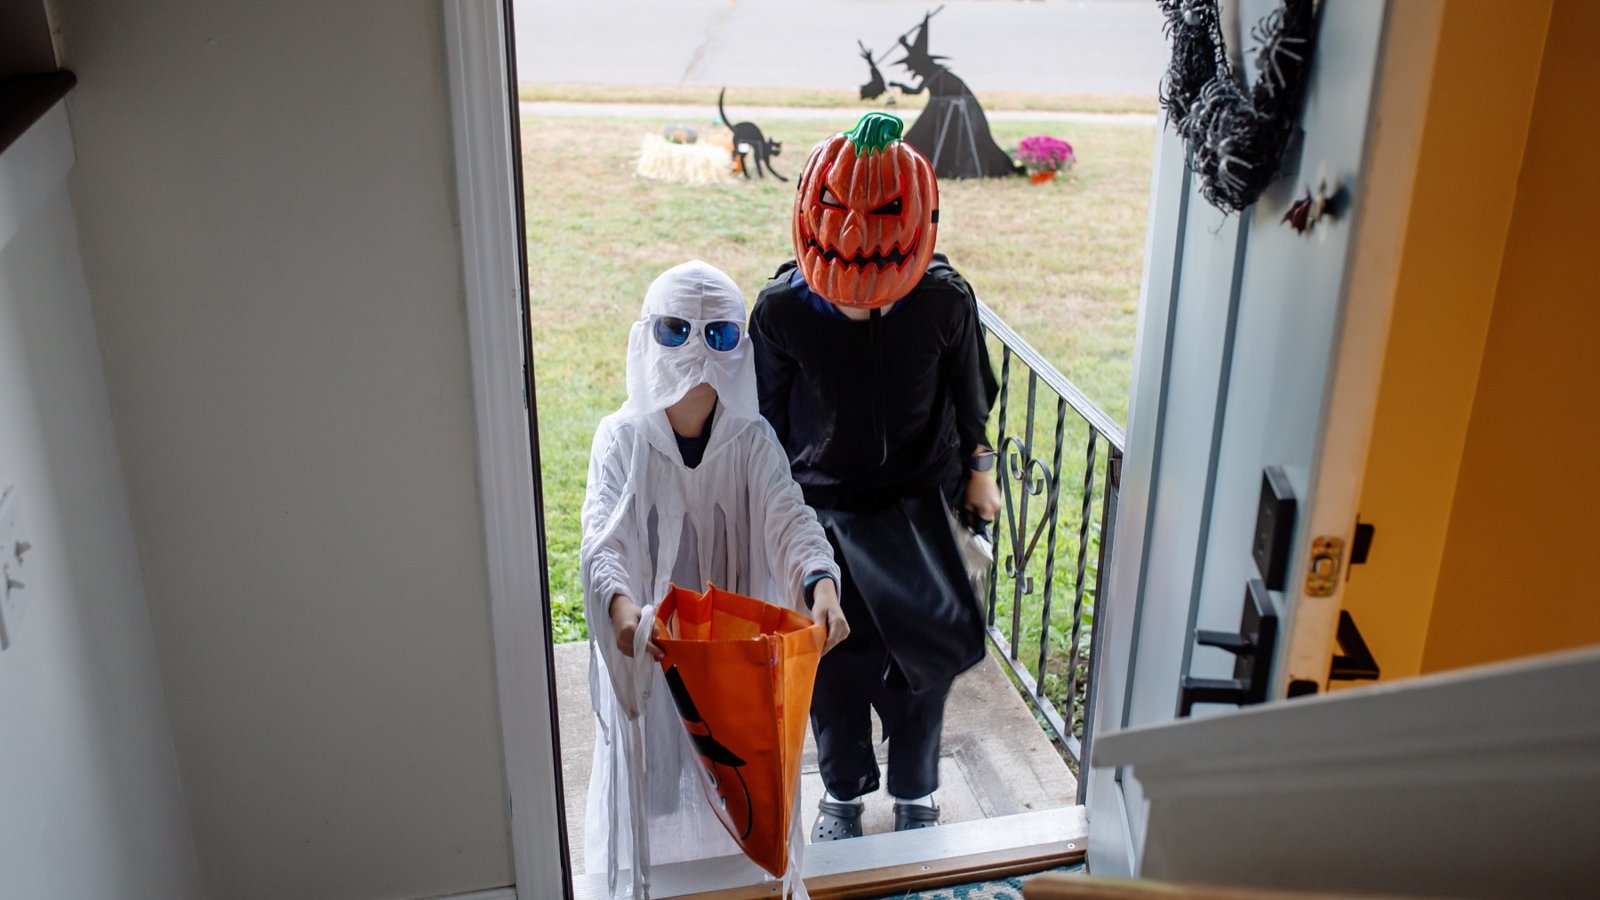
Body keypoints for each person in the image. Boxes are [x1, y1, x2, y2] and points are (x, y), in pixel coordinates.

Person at [749, 113, 1000, 840]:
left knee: (924, 664)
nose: (858, 238)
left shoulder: (944, 304)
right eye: (840, 218)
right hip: (822, 520)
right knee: (835, 671)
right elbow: (763, 424)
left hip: (921, 508)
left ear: (916, 223)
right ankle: (842, 791)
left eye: (883, 215)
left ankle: (918, 789)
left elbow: (969, 394)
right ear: (812, 216)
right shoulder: (782, 313)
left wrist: (980, 471)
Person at [580, 260, 848, 897]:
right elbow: (603, 538)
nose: (697, 354)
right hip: (653, 654)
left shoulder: (751, 441)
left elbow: (791, 518)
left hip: (731, 664)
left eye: (718, 336)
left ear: (740, 349)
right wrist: (620, 610)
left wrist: (822, 588)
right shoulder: (622, 440)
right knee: (657, 782)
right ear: (647, 337)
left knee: (738, 784)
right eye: (676, 331)